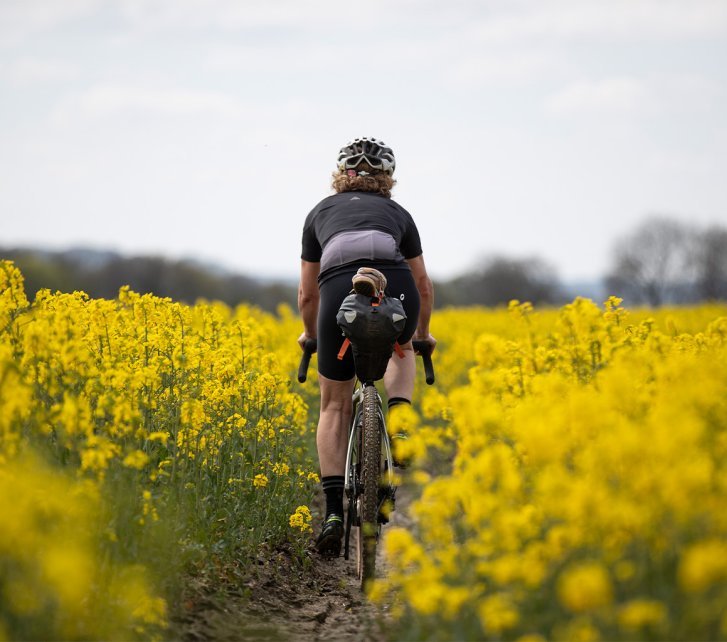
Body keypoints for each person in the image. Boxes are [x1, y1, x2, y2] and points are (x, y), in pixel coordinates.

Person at [297, 137, 436, 557]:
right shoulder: (397, 213)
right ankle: (398, 414)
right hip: (396, 282)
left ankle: (334, 513)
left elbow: (307, 295)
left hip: (339, 287)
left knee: (334, 406)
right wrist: (422, 333)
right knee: (403, 346)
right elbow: (424, 285)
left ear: (341, 173)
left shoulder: (319, 212)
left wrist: (312, 336)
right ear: (387, 176)